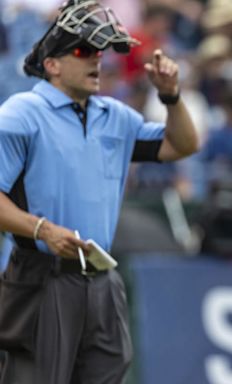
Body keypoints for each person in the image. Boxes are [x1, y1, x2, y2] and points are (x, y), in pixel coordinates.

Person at [0, 1, 199, 383]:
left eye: (98, 52)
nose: (96, 60)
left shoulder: (116, 116)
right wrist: (41, 228)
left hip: (101, 278)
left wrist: (171, 97)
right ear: (52, 64)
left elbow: (182, 145)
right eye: (82, 51)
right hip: (42, 276)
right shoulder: (23, 112)